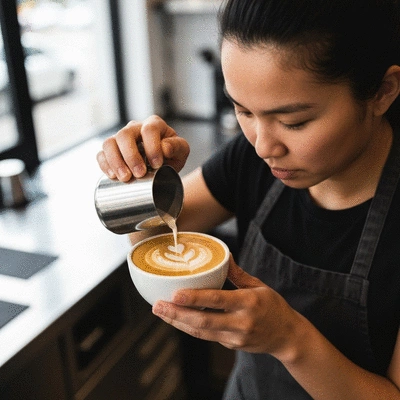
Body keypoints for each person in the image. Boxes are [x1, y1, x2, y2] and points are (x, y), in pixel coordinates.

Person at [96, 0, 400, 398]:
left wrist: (290, 338)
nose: (263, 146)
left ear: (382, 92)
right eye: (243, 111)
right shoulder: (251, 161)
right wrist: (146, 181)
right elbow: (150, 242)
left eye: (294, 122)